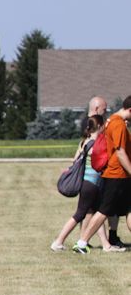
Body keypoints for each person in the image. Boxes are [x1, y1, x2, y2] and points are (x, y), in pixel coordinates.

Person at [73, 95, 131, 254]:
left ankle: (82, 242)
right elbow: (120, 152)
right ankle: (81, 243)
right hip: (117, 175)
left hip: (121, 175)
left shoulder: (111, 121)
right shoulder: (118, 124)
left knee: (128, 209)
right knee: (103, 211)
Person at [51, 115, 115, 251]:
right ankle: (58, 242)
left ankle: (105, 245)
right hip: (91, 184)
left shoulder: (84, 142)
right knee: (79, 214)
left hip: (87, 184)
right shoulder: (96, 143)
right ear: (99, 126)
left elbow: (75, 160)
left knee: (97, 213)